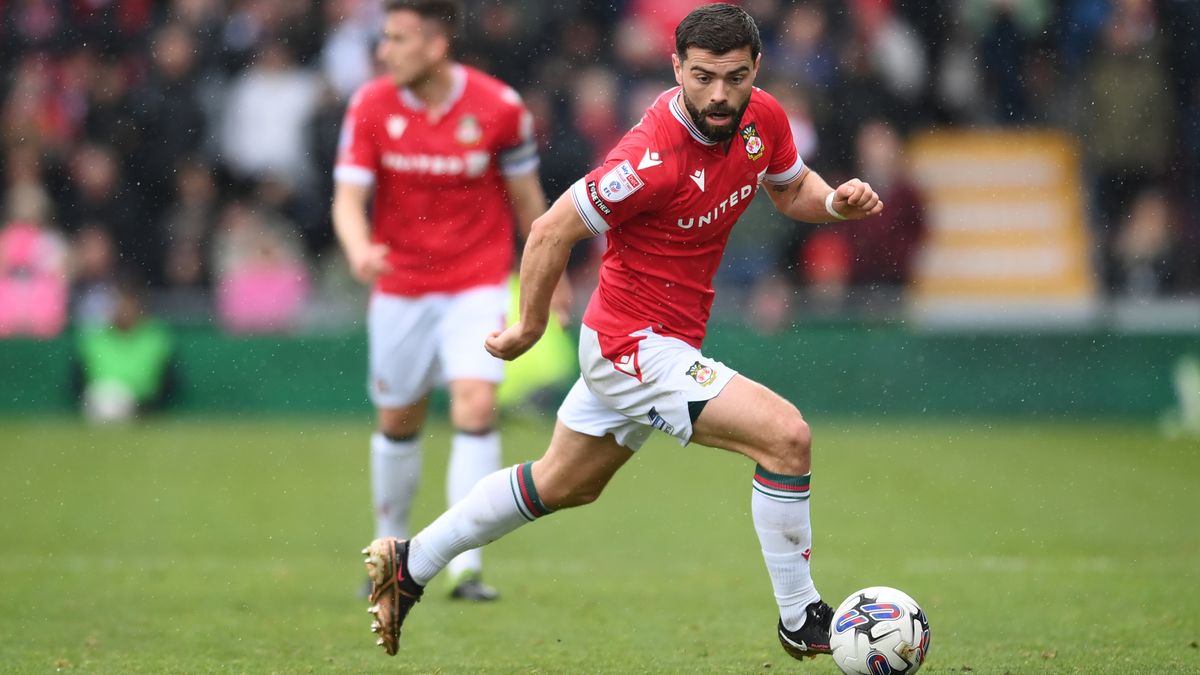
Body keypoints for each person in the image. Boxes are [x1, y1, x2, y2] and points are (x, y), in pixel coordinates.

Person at [359, 2, 883, 660]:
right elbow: (551, 229)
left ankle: (406, 564)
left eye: (734, 76)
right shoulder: (649, 158)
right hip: (631, 345)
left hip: (665, 341)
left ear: (756, 69)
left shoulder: (763, 118)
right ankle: (800, 614)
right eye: (701, 77)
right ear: (676, 68)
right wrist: (526, 326)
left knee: (561, 483)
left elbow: (789, 185)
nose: (719, 94)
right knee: (786, 436)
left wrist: (834, 201)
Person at [332, 0, 561, 602]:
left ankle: (465, 570)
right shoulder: (370, 105)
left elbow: (527, 199)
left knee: (476, 406)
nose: (384, 51)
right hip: (400, 287)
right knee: (399, 421)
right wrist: (359, 249)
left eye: (397, 38)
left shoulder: (500, 107)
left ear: (435, 45)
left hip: (476, 283)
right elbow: (347, 200)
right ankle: (388, 553)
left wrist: (551, 271)